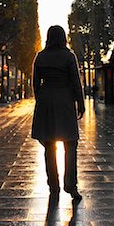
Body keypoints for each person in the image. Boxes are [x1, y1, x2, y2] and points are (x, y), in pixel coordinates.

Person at [32, 25, 85, 201]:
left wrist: (42, 99)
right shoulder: (69, 56)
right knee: (71, 144)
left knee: (49, 145)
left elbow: (35, 84)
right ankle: (71, 185)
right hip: (65, 100)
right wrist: (80, 103)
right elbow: (76, 82)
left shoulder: (40, 56)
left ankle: (53, 186)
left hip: (46, 99)